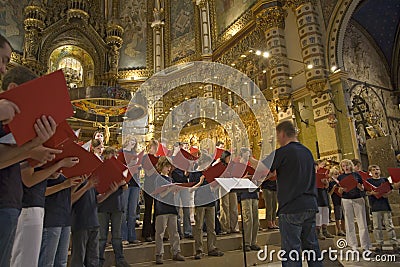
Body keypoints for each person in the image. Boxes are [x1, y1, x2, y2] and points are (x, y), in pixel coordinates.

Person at [0, 66, 61, 267]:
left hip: (12, 201)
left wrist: (31, 148)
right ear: (14, 88)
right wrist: (32, 147)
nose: (3, 67)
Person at [249, 120, 322, 267]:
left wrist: (248, 159)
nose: (277, 140)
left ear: (282, 134)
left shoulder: (283, 152)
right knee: (312, 248)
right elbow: (274, 172)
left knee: (291, 251)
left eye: (277, 136)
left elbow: (263, 169)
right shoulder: (307, 152)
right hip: (310, 205)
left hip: (291, 207)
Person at [38, 173, 82, 267]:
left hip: (65, 217)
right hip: (52, 218)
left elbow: (66, 193)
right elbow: (41, 191)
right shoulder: (49, 170)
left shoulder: (66, 172)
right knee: (47, 261)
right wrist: (63, 185)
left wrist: (76, 184)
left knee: (62, 262)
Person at [98, 147, 130, 267]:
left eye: (114, 156)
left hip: (117, 204)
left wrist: (123, 183)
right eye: (109, 156)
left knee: (117, 235)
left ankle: (120, 260)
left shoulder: (120, 168)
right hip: (103, 205)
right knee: (102, 237)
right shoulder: (100, 168)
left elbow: (125, 186)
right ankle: (99, 261)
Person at [190, 154, 224, 259]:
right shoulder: (195, 173)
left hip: (211, 200)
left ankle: (212, 247)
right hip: (200, 201)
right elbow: (191, 188)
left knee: (211, 227)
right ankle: (199, 250)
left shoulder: (211, 173)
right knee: (199, 227)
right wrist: (200, 182)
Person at [153, 156, 185, 264]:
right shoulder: (158, 179)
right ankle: (159, 254)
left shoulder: (170, 179)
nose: (169, 168)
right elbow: (161, 194)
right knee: (160, 233)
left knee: (174, 232)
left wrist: (175, 190)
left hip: (171, 207)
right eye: (166, 166)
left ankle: (176, 252)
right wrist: (169, 189)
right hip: (162, 208)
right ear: (161, 167)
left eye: (169, 166)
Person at [337, 159, 371, 251]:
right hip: (346, 200)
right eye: (343, 166)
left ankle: (365, 245)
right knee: (349, 222)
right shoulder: (340, 177)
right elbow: (339, 191)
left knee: (362, 222)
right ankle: (353, 245)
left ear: (350, 165)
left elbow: (362, 187)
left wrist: (360, 187)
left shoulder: (356, 175)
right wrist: (341, 190)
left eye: (347, 165)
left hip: (358, 198)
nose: (346, 167)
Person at [366, 164, 398, 253]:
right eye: (373, 170)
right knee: (377, 227)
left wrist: (387, 194)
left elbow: (390, 189)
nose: (376, 171)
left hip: (385, 205)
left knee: (389, 225)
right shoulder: (369, 181)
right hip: (375, 206)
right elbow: (367, 192)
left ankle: (394, 243)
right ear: (370, 172)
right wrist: (372, 193)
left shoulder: (384, 180)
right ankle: (379, 244)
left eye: (377, 169)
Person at [233, 148, 260, 251]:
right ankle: (246, 243)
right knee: (248, 218)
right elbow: (234, 180)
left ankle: (254, 242)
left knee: (256, 219)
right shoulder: (238, 166)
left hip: (254, 192)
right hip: (244, 193)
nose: (248, 156)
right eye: (246, 154)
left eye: (249, 154)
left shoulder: (253, 164)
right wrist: (244, 178)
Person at [120, 136, 141, 245]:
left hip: (135, 183)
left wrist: (138, 165)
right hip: (125, 183)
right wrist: (129, 165)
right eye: (132, 140)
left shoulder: (135, 154)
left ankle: (132, 236)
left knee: (132, 212)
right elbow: (118, 167)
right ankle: (123, 237)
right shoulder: (121, 152)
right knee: (124, 211)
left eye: (134, 141)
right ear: (127, 141)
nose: (133, 143)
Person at [142, 140, 159, 242]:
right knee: (148, 210)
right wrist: (156, 167)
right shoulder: (146, 157)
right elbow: (148, 173)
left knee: (157, 209)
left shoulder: (158, 158)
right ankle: (146, 232)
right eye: (154, 146)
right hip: (149, 185)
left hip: (157, 185)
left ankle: (155, 231)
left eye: (156, 147)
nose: (155, 148)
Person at [219, 150, 239, 234]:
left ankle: (233, 226)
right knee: (225, 206)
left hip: (232, 186)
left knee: (233, 207)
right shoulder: (220, 165)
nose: (229, 159)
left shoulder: (232, 165)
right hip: (223, 186)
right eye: (228, 157)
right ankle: (225, 227)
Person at [352, 158, 373, 232]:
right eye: (356, 166)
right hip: (354, 195)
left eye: (358, 166)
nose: (358, 168)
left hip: (363, 194)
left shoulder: (362, 174)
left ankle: (369, 225)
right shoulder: (350, 174)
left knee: (366, 209)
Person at [327, 167, 345, 236]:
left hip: (342, 199)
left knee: (343, 216)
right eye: (335, 174)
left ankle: (344, 229)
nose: (337, 176)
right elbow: (330, 193)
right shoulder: (331, 183)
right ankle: (339, 229)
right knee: (338, 216)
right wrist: (334, 187)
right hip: (336, 200)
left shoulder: (340, 182)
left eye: (338, 174)